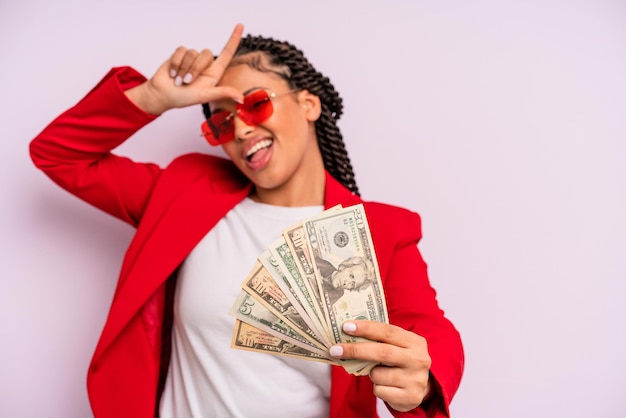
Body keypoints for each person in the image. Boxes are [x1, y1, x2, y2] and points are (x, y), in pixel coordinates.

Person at [30, 24, 464, 418]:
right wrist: (152, 98)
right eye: (221, 122)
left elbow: (430, 330)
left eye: (255, 104)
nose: (238, 131)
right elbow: (58, 154)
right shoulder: (184, 193)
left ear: (309, 104)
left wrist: (423, 381)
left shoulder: (378, 230)